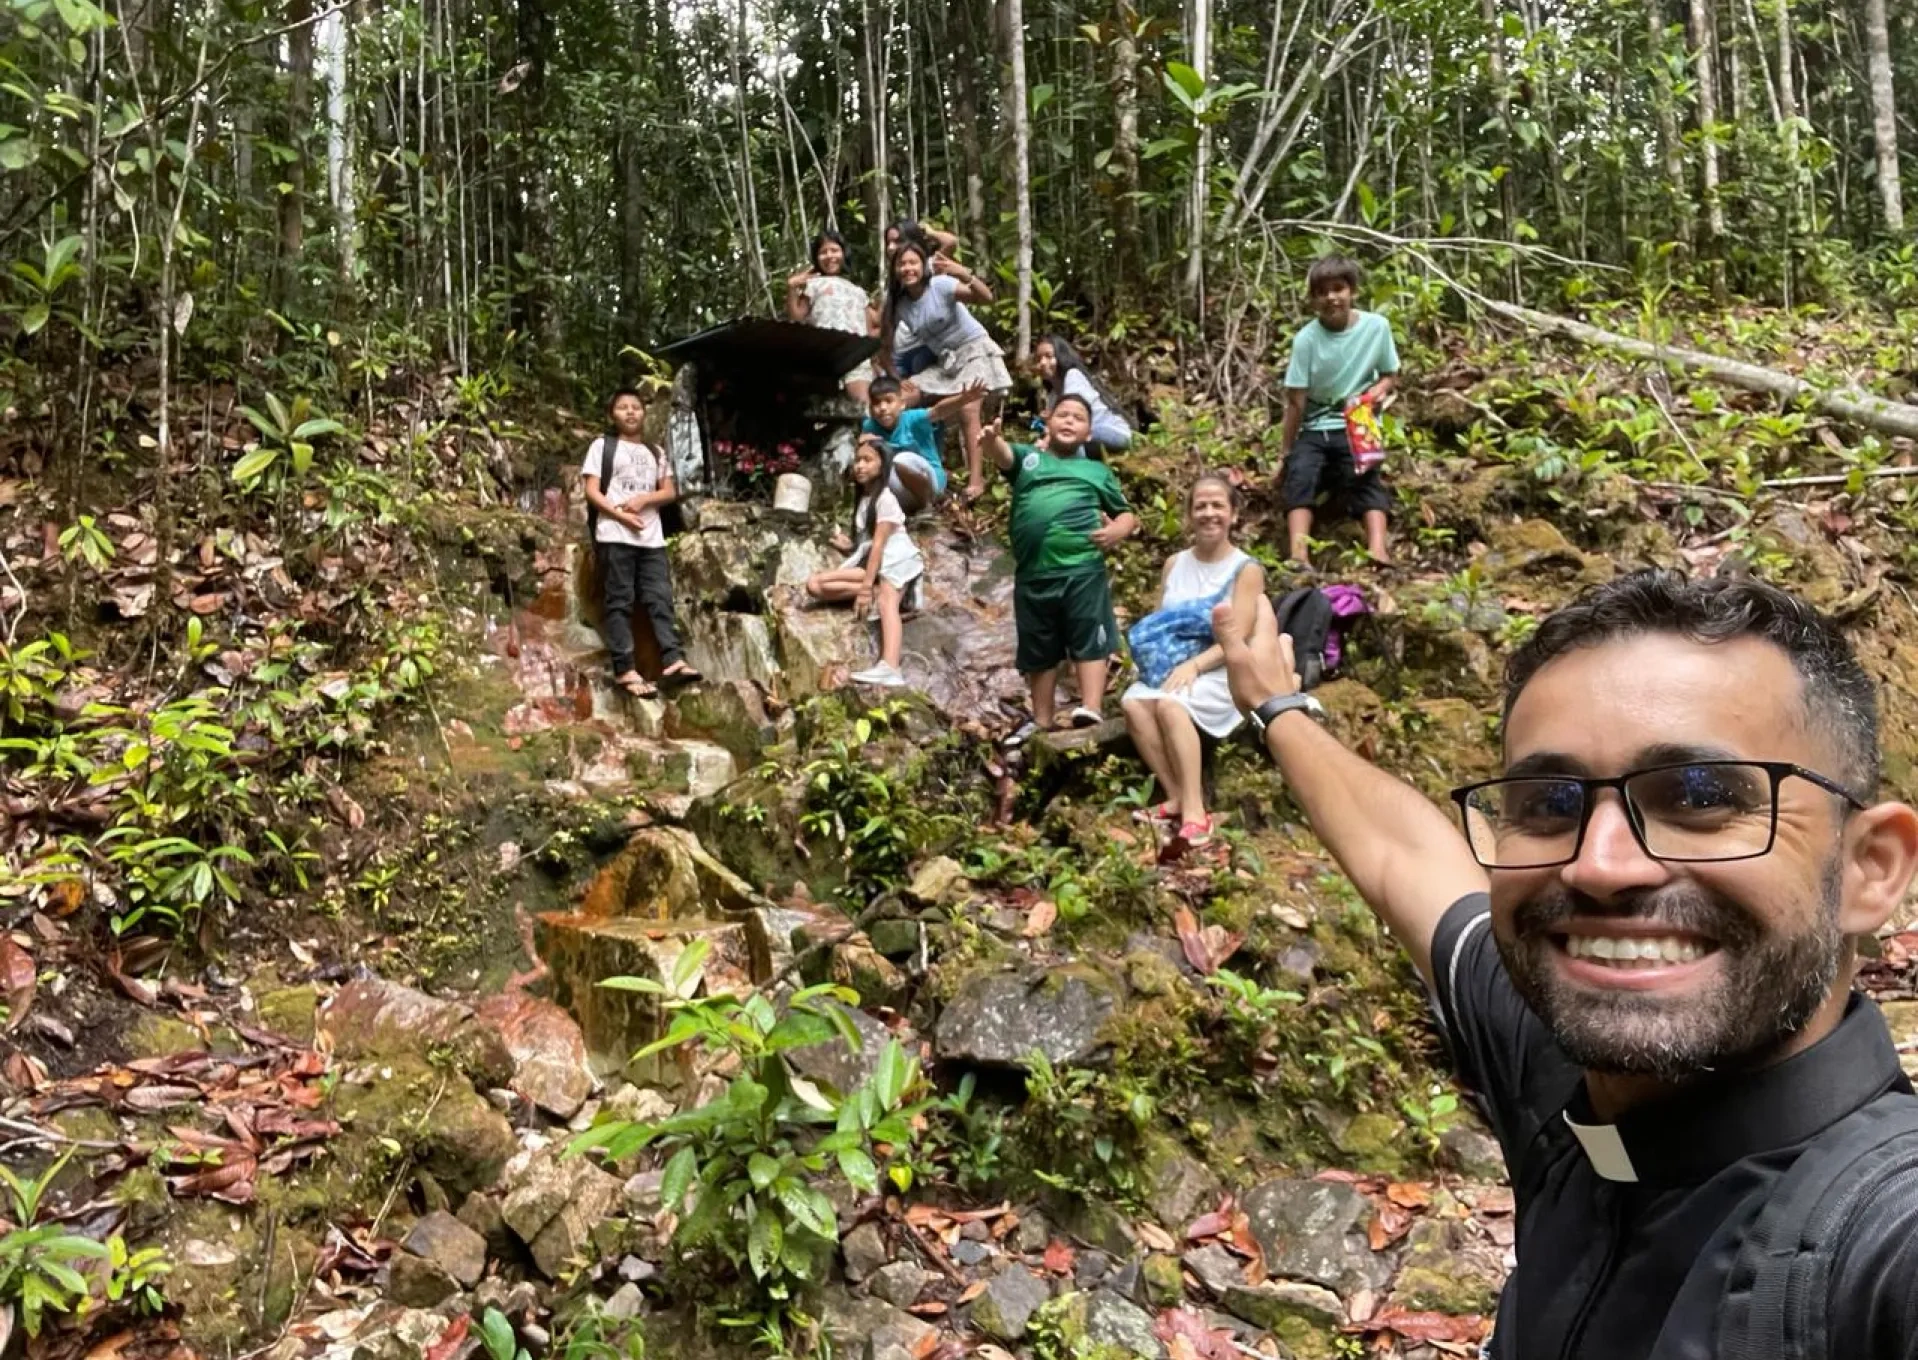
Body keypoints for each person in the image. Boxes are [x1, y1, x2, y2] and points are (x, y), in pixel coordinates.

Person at [1211, 569, 1918, 1359]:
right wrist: (1276, 707)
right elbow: (1400, 857)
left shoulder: (1886, 1235)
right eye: (1549, 804)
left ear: (1871, 868)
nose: (1600, 866)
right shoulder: (1561, 1068)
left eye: (1699, 794)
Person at [1120, 473, 1267, 848]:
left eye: (1218, 505)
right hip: (1174, 668)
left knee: (1170, 706)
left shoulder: (1245, 569)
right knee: (1133, 704)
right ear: (1189, 515)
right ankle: (1174, 795)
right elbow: (1159, 624)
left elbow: (1241, 636)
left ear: (1233, 514)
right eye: (1200, 505)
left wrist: (1195, 666)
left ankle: (1195, 813)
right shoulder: (1174, 564)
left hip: (1221, 671)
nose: (1208, 513)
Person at [982, 396, 1136, 743]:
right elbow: (1003, 455)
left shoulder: (1096, 471)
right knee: (1039, 646)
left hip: (1082, 569)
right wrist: (992, 441)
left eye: (1078, 418)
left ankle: (1091, 706)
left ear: (1088, 433)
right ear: (1047, 423)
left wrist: (1118, 529)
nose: (1069, 421)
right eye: (1062, 415)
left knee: (1088, 634)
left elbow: (1126, 513)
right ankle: (1042, 718)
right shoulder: (1030, 459)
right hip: (1033, 574)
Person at [1276, 256, 1399, 566]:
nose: (1331, 297)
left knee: (1367, 477)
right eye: (1322, 292)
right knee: (1300, 475)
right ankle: (1298, 554)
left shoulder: (1376, 327)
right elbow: (1295, 401)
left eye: (1338, 288)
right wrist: (1286, 453)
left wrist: (1372, 395)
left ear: (1352, 291)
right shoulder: (1306, 340)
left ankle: (1377, 549)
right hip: (1316, 424)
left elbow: (1390, 374)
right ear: (1313, 300)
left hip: (1358, 418)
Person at [580, 389, 702, 697]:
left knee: (660, 598)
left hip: (651, 537)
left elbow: (670, 491)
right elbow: (592, 491)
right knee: (619, 599)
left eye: (636, 407)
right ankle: (625, 669)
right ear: (613, 415)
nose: (630, 412)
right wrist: (621, 517)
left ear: (644, 413)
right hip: (614, 534)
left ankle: (673, 660)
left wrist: (644, 499)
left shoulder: (656, 452)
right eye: (623, 407)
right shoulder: (602, 446)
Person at [878, 241, 1011, 503]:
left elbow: (986, 298)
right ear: (894, 270)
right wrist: (897, 379)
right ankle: (908, 464)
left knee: (968, 408)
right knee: (905, 398)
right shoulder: (898, 303)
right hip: (945, 362)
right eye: (901, 263)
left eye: (913, 262)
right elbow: (883, 347)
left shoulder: (939, 285)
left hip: (973, 349)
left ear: (923, 265)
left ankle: (976, 481)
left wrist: (963, 273)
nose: (907, 268)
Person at [804, 435, 924, 688]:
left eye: (868, 460)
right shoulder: (864, 500)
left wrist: (866, 589)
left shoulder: (887, 499)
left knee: (887, 604)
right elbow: (868, 543)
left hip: (896, 559)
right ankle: (878, 589)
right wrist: (848, 545)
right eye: (857, 460)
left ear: (883, 465)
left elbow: (880, 544)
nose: (859, 466)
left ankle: (890, 666)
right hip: (876, 565)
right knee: (815, 585)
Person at [861, 375, 990, 512]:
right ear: (870, 408)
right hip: (897, 486)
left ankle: (927, 504)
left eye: (888, 401)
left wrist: (962, 400)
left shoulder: (913, 419)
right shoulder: (870, 427)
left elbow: (938, 411)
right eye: (877, 403)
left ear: (902, 404)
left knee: (901, 460)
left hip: (929, 479)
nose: (883, 408)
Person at [785, 229, 878, 405]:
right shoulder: (813, 285)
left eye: (834, 250)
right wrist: (791, 288)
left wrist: (874, 359)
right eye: (823, 252)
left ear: (843, 253)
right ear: (816, 257)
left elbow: (868, 330)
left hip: (856, 357)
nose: (829, 256)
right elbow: (796, 318)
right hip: (825, 356)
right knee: (825, 411)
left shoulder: (857, 291)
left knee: (863, 407)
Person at [1035, 335, 1132, 455]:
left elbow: (1072, 415)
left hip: (1112, 431)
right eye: (1039, 359)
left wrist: (1048, 441)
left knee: (1073, 438)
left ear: (1061, 356)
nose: (1043, 362)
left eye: (1049, 356)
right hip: (1088, 434)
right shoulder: (1053, 396)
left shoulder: (1073, 376)